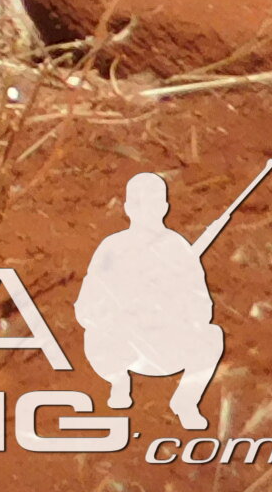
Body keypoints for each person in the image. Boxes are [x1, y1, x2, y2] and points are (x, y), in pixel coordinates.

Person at [74, 172, 227, 430]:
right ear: (128, 208)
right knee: (95, 335)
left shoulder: (178, 249)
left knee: (212, 336)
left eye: (154, 203)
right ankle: (118, 382)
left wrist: (170, 307)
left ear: (165, 207)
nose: (148, 211)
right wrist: (121, 313)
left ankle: (186, 402)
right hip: (122, 345)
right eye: (140, 204)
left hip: (165, 345)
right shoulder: (112, 248)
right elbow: (86, 305)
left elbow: (202, 307)